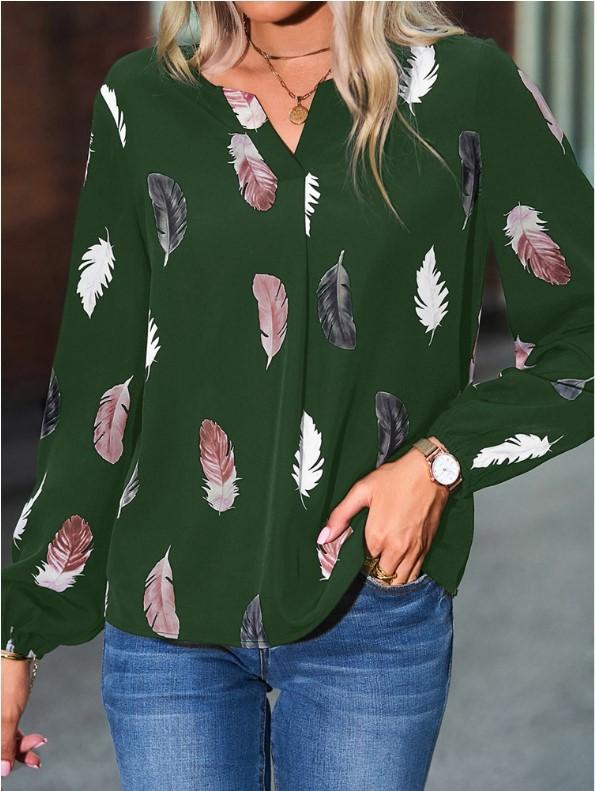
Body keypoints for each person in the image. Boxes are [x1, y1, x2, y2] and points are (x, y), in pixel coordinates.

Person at [2, 1, 593, 788]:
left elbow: (583, 328)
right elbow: (95, 383)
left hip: (370, 609)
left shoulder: (462, 87)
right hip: (167, 614)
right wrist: (16, 636)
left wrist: (439, 461)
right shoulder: (142, 99)